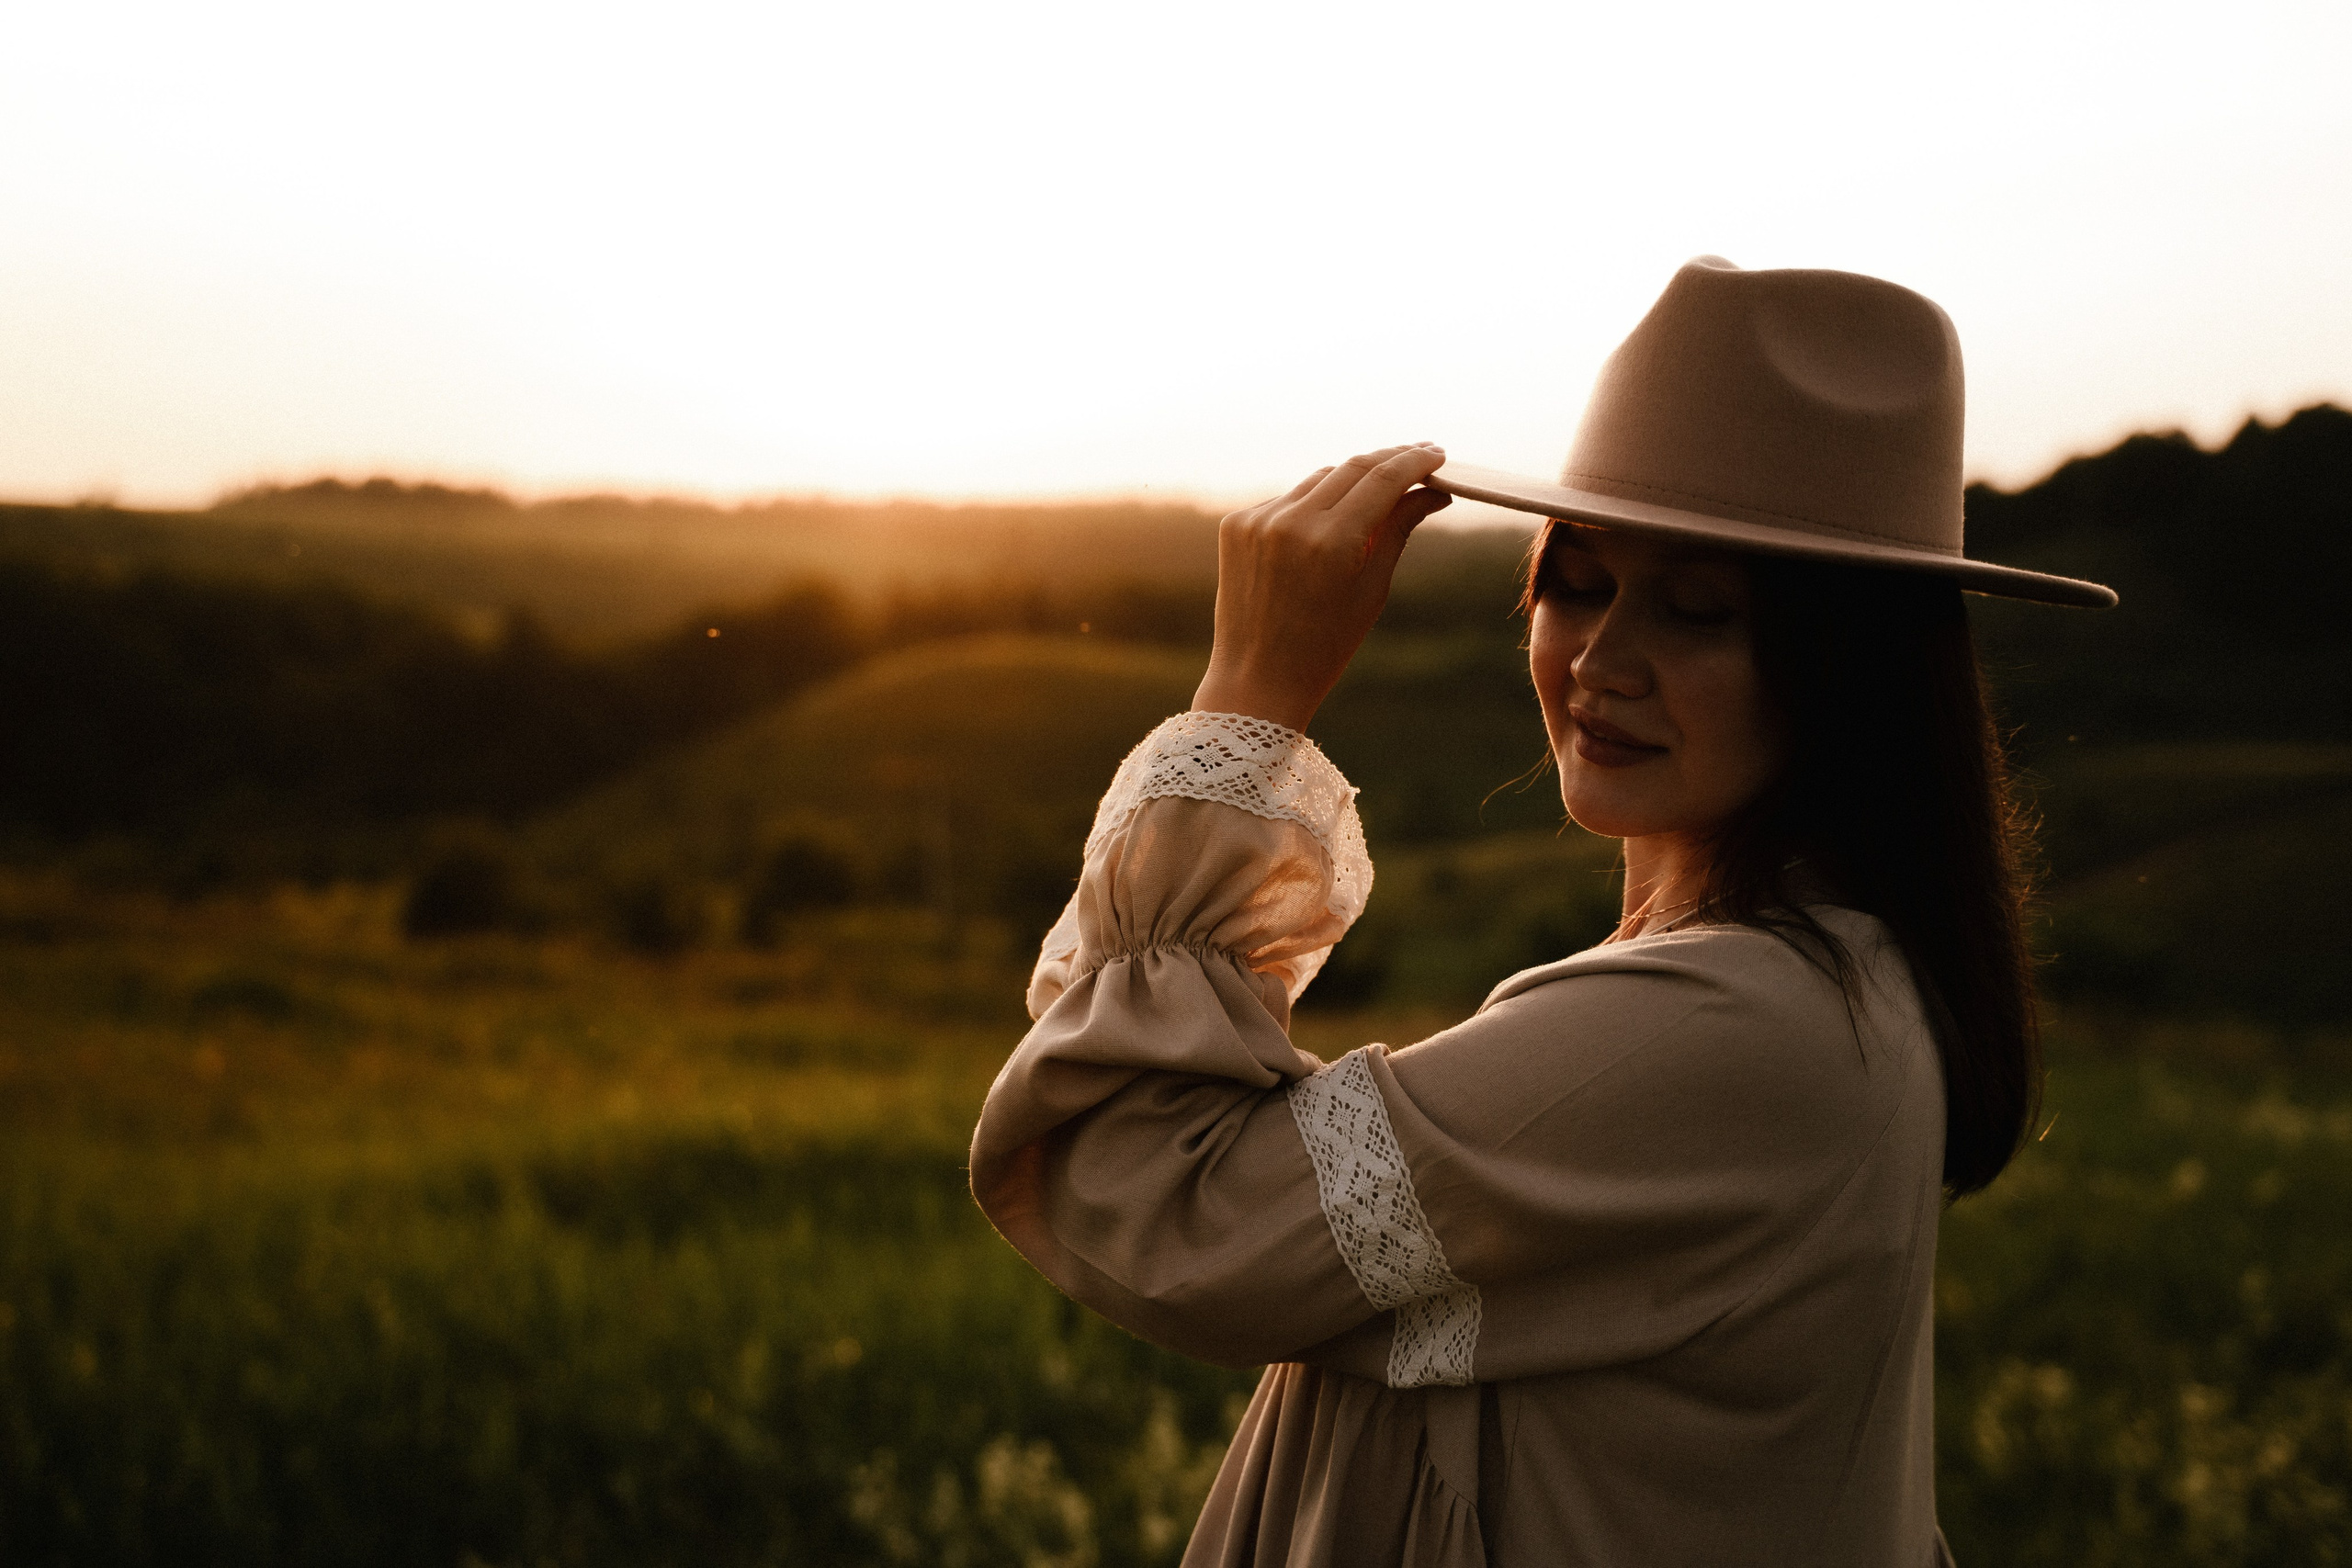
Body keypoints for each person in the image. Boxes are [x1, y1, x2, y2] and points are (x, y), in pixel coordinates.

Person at [969, 256, 2115, 1566]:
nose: (1602, 660)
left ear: (1843, 671)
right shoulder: (1827, 982)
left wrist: (1248, 697)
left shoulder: (1737, 1020)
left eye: (1696, 610)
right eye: (1578, 581)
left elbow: (1158, 1205)